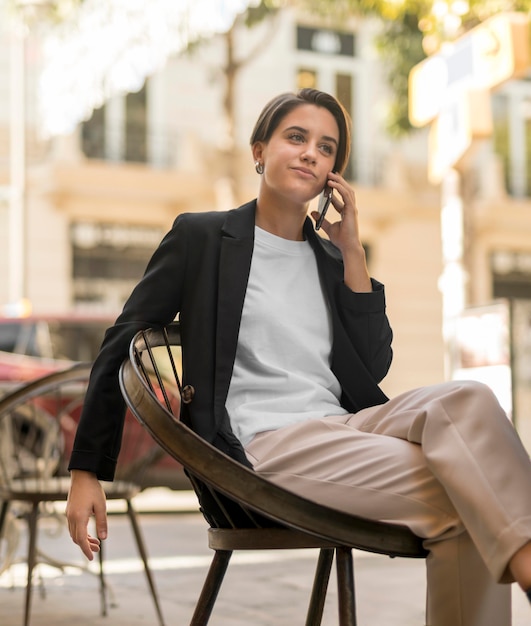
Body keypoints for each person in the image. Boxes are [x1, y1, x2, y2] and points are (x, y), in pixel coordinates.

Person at [66, 88, 531, 626]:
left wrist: (352, 250)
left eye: (327, 147)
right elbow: (120, 340)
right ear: (259, 151)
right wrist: (86, 471)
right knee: (474, 491)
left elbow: (374, 365)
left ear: (334, 172)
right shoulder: (203, 238)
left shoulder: (330, 257)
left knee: (469, 401)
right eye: (296, 137)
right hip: (264, 447)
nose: (312, 152)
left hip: (346, 429)